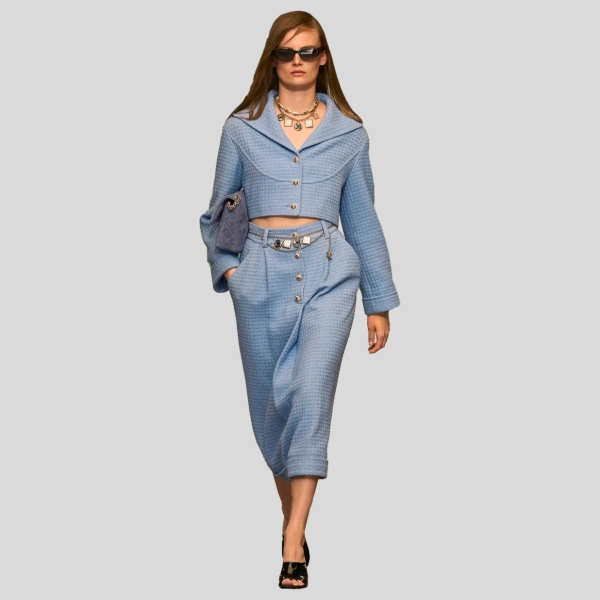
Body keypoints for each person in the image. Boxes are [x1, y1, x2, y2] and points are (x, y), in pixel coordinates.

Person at [199, 10, 400, 589]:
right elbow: (219, 208)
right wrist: (230, 270)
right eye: (287, 52)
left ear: (323, 57)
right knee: (271, 407)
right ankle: (294, 517)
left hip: (328, 272)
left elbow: (363, 218)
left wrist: (377, 300)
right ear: (273, 59)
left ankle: (293, 539)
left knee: (310, 393)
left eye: (307, 51)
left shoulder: (350, 134)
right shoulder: (241, 128)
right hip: (258, 275)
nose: (297, 62)